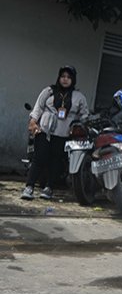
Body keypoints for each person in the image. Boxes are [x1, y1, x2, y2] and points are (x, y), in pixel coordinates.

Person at [22, 65, 89, 200]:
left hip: (63, 133)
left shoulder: (79, 97)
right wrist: (33, 122)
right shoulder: (49, 91)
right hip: (44, 129)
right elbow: (38, 107)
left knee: (56, 160)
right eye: (63, 76)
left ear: (73, 80)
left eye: (69, 77)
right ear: (59, 78)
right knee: (39, 158)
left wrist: (81, 124)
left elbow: (84, 115)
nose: (65, 80)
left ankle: (49, 188)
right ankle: (29, 187)